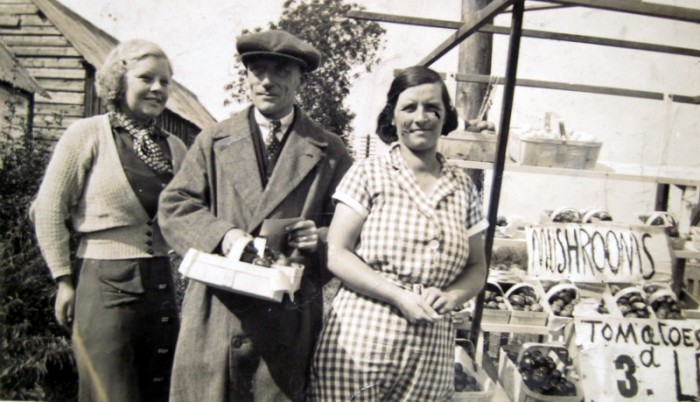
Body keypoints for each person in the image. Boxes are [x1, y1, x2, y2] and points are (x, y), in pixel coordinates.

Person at [158, 29, 352, 402]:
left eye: (280, 71)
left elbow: (354, 227)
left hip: (287, 316)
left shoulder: (330, 151)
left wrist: (322, 239)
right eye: (257, 70)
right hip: (217, 310)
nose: (267, 81)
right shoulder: (213, 140)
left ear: (300, 79)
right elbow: (175, 205)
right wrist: (225, 236)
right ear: (245, 76)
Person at [308, 65, 489, 401]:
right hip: (361, 340)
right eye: (409, 107)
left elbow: (477, 267)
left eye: (432, 108)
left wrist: (452, 297)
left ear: (445, 116)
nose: (421, 117)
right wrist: (398, 295)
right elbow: (337, 252)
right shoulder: (369, 173)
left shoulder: (463, 186)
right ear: (392, 116)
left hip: (431, 351)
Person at [31, 39, 187, 401]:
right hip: (103, 285)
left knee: (158, 390)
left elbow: (192, 215)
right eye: (146, 78)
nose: (158, 88)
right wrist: (62, 280)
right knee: (110, 392)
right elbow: (49, 208)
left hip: (160, 287)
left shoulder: (175, 148)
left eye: (165, 81)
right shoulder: (86, 135)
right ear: (119, 81)